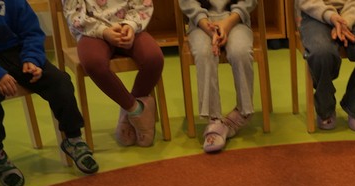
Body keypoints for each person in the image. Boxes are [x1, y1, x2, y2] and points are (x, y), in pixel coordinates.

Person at [0, 0, 97, 186]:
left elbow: (32, 32)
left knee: (60, 81)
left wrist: (32, 59)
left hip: (19, 53)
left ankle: (73, 139)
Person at [62, 0, 164, 147]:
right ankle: (136, 109)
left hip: (129, 28)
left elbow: (143, 4)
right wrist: (103, 31)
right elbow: (73, 14)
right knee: (93, 63)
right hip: (92, 32)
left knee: (153, 58)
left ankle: (127, 112)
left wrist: (130, 25)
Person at [297, 0, 355, 132]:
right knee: (321, 53)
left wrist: (344, 21)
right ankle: (326, 107)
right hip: (315, 14)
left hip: (352, 14)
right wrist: (331, 17)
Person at [179, 0, 255, 153]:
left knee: (240, 52)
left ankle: (243, 111)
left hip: (236, 20)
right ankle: (214, 119)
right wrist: (208, 27)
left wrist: (227, 23)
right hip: (200, 23)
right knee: (204, 53)